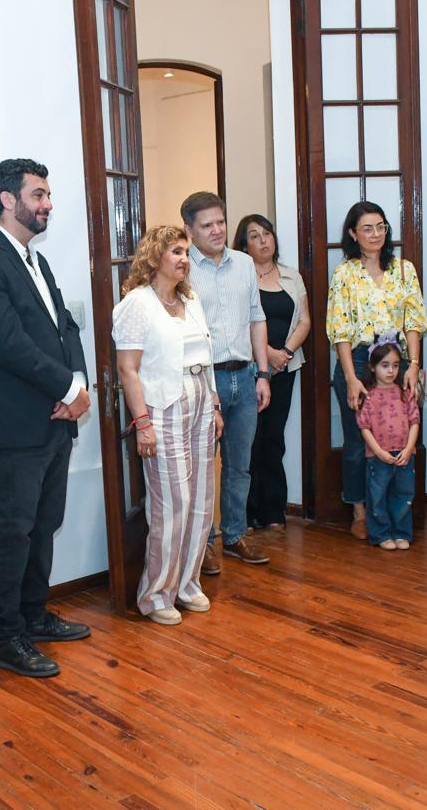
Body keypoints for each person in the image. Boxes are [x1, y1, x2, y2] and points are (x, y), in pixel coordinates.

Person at [0, 158, 92, 678]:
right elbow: (6, 344)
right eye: (38, 195)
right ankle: (6, 637)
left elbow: (65, 327)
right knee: (13, 533)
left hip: (55, 419)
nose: (48, 204)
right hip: (15, 426)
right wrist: (67, 389)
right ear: (8, 200)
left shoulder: (37, 260)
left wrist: (77, 386)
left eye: (47, 194)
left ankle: (34, 616)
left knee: (44, 524)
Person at [113, 225, 222, 625]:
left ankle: (187, 584)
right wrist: (142, 422)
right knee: (173, 503)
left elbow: (206, 357)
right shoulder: (137, 304)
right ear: (154, 256)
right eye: (176, 251)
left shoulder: (190, 300)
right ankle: (156, 594)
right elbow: (128, 369)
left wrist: (214, 403)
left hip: (200, 399)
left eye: (185, 252)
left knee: (201, 498)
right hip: (163, 406)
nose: (183, 259)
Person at [325, 200, 427, 540]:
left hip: (398, 361)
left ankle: (396, 515)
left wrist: (413, 366)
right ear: (353, 234)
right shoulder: (344, 274)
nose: (375, 234)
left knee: (400, 434)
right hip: (357, 361)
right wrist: (351, 378)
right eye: (367, 228)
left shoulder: (404, 270)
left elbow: (414, 321)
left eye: (380, 227)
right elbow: (339, 330)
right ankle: (359, 512)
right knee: (358, 440)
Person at [182, 192, 272, 575]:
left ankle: (235, 535)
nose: (217, 230)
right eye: (207, 225)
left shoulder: (244, 263)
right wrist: (208, 390)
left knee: (240, 466)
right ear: (189, 229)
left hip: (245, 376)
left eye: (220, 221)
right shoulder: (182, 268)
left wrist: (263, 373)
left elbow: (257, 317)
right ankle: (204, 544)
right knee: (203, 469)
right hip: (205, 379)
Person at [233, 213, 309, 532]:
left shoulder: (292, 276)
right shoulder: (239, 278)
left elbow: (305, 320)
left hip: (286, 368)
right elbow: (237, 325)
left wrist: (285, 353)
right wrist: (267, 355)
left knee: (274, 437)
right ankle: (247, 513)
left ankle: (274, 510)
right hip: (250, 368)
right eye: (255, 235)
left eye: (267, 233)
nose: (264, 240)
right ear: (244, 245)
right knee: (249, 440)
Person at [356, 338, 420, 551]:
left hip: (404, 454)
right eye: (385, 365)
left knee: (404, 494)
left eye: (395, 365)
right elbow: (364, 427)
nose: (391, 371)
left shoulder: (405, 393)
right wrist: (378, 452)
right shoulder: (368, 396)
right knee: (377, 496)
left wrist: (409, 449)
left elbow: (414, 422)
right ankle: (381, 534)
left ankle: (401, 533)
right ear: (373, 367)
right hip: (379, 456)